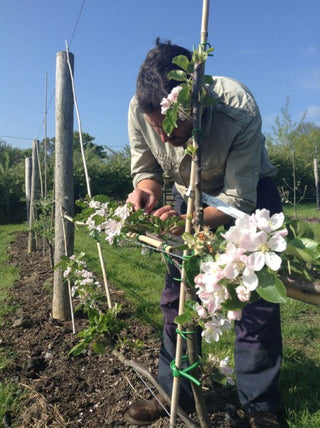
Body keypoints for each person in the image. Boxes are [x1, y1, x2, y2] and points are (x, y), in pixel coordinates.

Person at [125, 38, 283, 428]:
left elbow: (238, 200)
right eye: (155, 128)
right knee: (179, 293)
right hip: (187, 196)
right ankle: (171, 391)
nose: (163, 137)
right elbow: (147, 169)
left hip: (246, 198)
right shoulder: (140, 109)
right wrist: (145, 191)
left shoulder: (237, 108)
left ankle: (261, 407)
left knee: (252, 300)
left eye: (172, 127)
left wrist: (193, 222)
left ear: (196, 104)